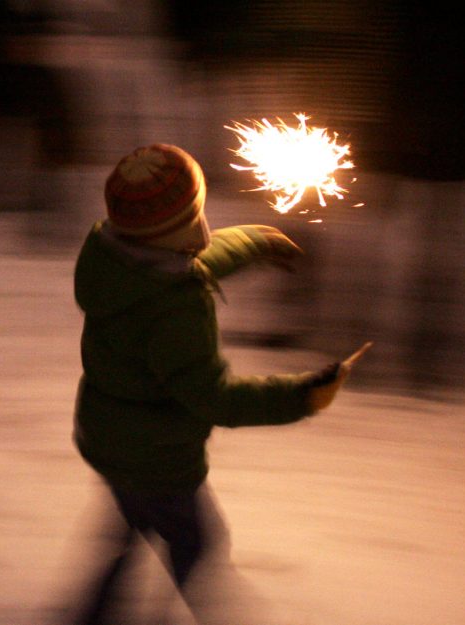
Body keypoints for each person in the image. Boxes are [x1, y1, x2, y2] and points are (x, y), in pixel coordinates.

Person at [70, 144, 350, 624]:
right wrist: (300, 397)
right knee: (196, 544)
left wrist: (252, 242)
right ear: (175, 232)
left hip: (110, 438)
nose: (202, 227)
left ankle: (94, 616)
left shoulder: (116, 259)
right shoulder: (174, 312)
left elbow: (191, 261)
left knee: (131, 529)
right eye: (193, 217)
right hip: (158, 456)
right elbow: (214, 398)